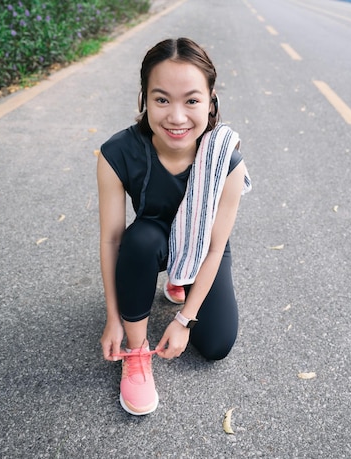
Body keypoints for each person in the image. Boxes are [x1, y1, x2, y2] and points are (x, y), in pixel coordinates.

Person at [97, 37, 251, 416]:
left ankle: (179, 281)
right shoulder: (117, 154)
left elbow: (216, 247)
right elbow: (112, 240)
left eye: (192, 100)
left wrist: (184, 321)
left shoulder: (225, 160)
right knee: (140, 239)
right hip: (149, 241)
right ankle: (136, 354)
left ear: (210, 99)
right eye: (162, 99)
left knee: (215, 345)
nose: (177, 117)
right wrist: (113, 319)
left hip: (202, 246)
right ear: (144, 99)